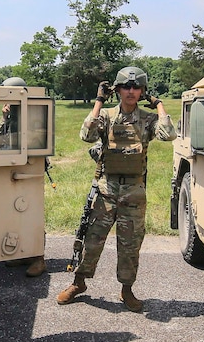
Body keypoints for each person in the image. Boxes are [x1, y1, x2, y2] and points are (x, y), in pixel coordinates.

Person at [56, 66, 176, 311]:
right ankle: (79, 283)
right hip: (106, 191)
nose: (131, 91)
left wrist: (159, 103)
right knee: (92, 241)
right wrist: (99, 101)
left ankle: (127, 290)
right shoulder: (108, 116)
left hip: (133, 193)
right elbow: (86, 135)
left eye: (136, 87)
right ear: (118, 90)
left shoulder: (147, 119)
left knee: (130, 245)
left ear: (142, 91)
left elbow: (168, 134)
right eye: (126, 87)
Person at [0, 76, 47, 277]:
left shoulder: (33, 113)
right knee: (13, 212)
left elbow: (34, 139)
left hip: (30, 168)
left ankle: (38, 257)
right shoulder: (11, 115)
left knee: (32, 213)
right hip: (11, 167)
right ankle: (23, 252)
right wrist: (5, 119)